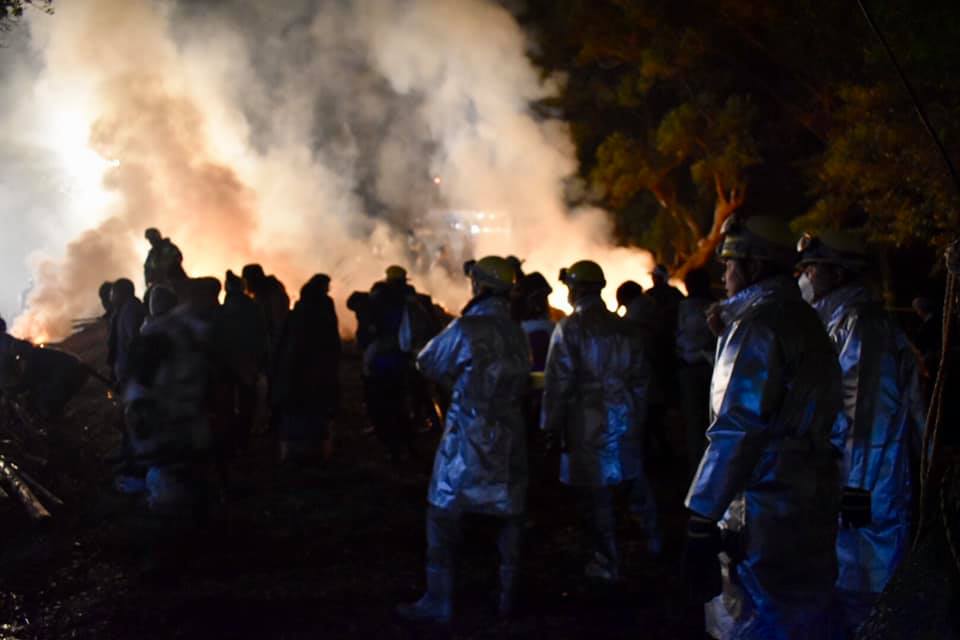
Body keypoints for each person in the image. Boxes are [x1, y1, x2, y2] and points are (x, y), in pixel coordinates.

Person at [684, 215, 841, 639]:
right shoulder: (804, 318)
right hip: (806, 491)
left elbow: (736, 428)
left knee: (753, 617)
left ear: (753, 267)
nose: (723, 274)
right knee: (802, 610)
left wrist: (702, 514)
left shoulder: (758, 325)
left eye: (729, 264)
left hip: (758, 501)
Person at [796, 230, 925, 637]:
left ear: (837, 273)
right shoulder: (838, 320)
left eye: (812, 269)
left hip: (867, 484)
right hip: (846, 478)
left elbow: (866, 414)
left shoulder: (862, 324)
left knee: (868, 587)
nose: (804, 277)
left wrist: (857, 486)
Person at [397, 256, 531, 622]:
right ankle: (506, 597)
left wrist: (454, 384)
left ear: (479, 285)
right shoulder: (516, 332)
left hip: (466, 438)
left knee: (443, 514)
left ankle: (438, 601)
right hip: (509, 436)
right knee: (509, 516)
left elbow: (427, 362)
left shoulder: (466, 327)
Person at [541, 260, 653, 581]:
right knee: (634, 482)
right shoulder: (626, 327)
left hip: (585, 423)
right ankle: (654, 545)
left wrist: (550, 427)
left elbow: (557, 384)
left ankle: (606, 563)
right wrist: (636, 416)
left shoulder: (569, 328)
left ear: (575, 289)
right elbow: (642, 379)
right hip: (625, 416)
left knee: (596, 496)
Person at [271, 274, 341, 462]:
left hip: (295, 371)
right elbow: (331, 339)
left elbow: (283, 343)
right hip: (315, 370)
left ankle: (292, 452)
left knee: (296, 410)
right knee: (316, 409)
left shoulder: (297, 313)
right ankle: (318, 451)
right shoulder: (323, 311)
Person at [364, 266, 417, 459]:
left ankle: (392, 446)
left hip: (383, 355)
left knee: (383, 401)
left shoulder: (381, 297)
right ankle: (409, 444)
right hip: (403, 355)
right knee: (400, 399)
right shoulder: (411, 299)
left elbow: (371, 323)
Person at [675, 268, 716, 480]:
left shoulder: (681, 308)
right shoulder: (717, 306)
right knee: (711, 422)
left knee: (694, 423)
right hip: (710, 370)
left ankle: (698, 472)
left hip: (692, 371)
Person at [107, 278, 147, 390]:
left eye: (113, 293)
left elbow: (134, 340)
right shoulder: (127, 308)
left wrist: (127, 371)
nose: (111, 298)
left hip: (131, 375)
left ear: (121, 293)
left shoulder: (130, 309)